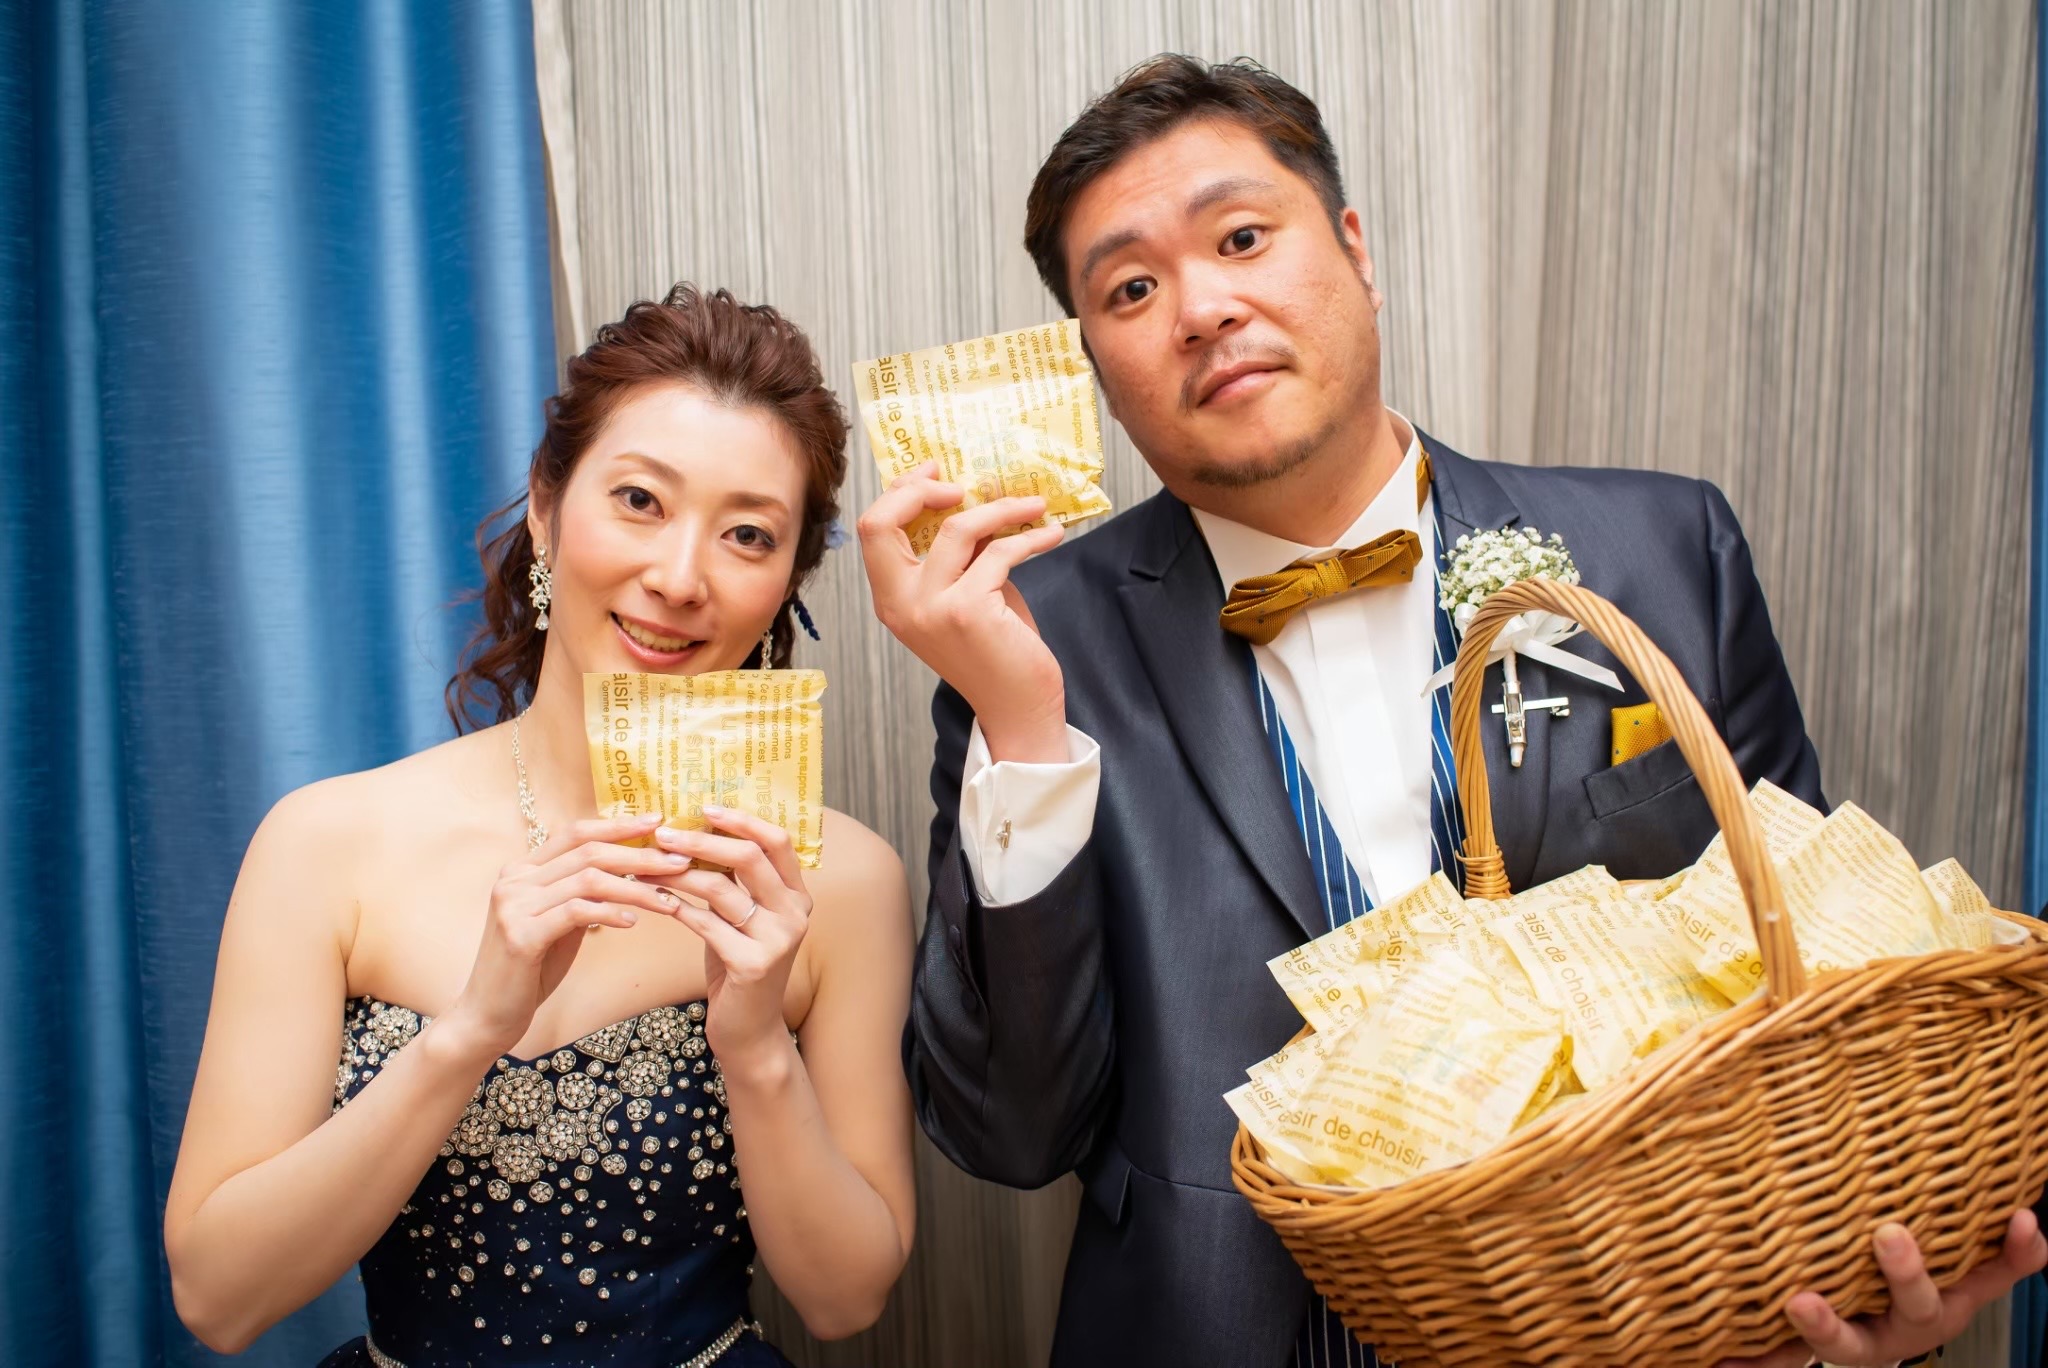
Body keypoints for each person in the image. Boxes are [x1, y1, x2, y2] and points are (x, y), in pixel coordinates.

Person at [858, 56, 2044, 1368]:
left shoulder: (1663, 552)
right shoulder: (1025, 641)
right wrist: (1025, 730)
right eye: (1130, 289)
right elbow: (1009, 1135)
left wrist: (1864, 1316)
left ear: (1355, 251)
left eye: (1241, 238)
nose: (1201, 308)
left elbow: (1816, 998)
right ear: (1093, 360)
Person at [165, 285, 915, 1367]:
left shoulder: (838, 881)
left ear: (784, 584)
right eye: (640, 500)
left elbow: (845, 1301)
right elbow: (218, 1299)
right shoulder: (324, 845)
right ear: (546, 509)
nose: (679, 578)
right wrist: (470, 1030)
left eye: (747, 535)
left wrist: (754, 1047)